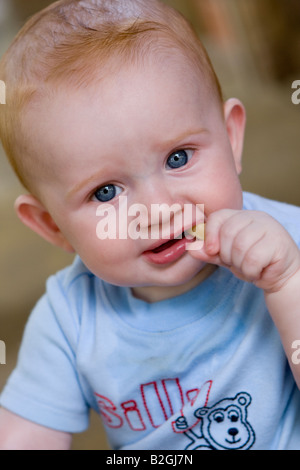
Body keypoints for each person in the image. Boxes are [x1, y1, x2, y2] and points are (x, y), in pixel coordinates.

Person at [0, 0, 300, 451]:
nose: (157, 210)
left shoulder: (286, 243)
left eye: (177, 158)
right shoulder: (69, 320)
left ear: (231, 137)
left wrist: (288, 284)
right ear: (52, 226)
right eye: (105, 192)